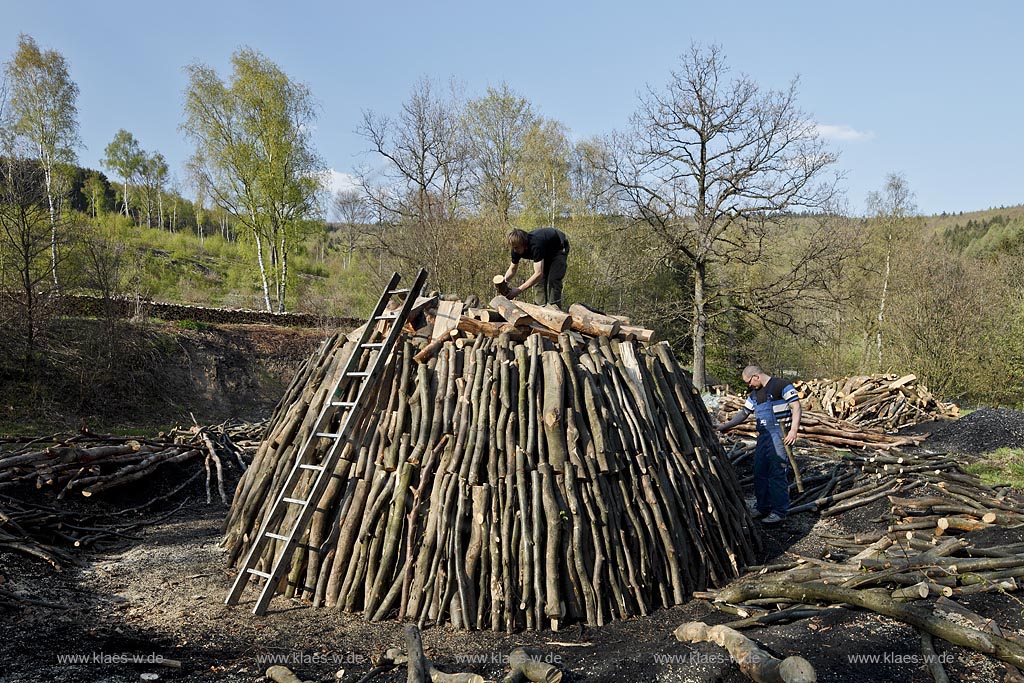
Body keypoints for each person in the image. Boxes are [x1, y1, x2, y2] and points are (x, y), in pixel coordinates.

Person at [717, 365, 802, 525]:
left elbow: (796, 406)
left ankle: (779, 511)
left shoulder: (780, 385)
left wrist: (793, 430)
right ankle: (762, 506)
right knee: (759, 471)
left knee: (777, 472)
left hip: (780, 435)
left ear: (756, 376)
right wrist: (724, 426)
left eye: (749, 381)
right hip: (764, 437)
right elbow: (743, 413)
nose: (749, 385)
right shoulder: (754, 395)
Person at [503, 227, 570, 308]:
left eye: (516, 247)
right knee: (538, 282)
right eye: (513, 248)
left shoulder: (536, 245)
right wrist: (504, 281)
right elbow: (512, 269)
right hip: (545, 251)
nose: (515, 250)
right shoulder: (515, 249)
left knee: (553, 279)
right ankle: (539, 308)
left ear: (524, 244)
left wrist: (518, 290)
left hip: (559, 247)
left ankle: (555, 309)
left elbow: (538, 273)